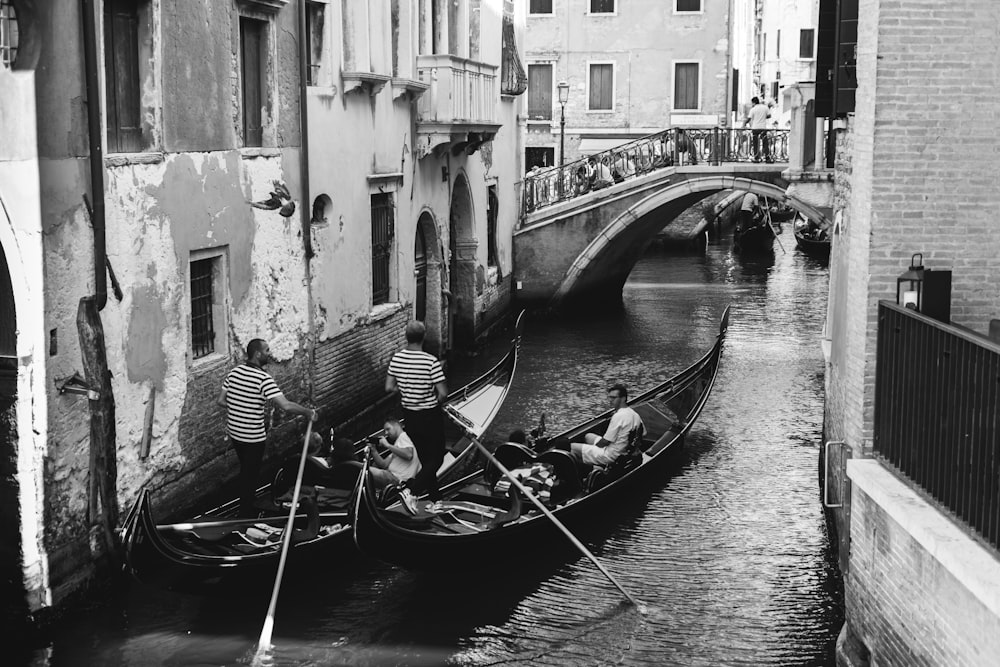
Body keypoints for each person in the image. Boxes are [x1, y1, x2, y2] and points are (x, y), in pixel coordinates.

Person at [219, 338, 318, 517]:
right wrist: (307, 412)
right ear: (257, 354)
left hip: (235, 434)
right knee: (250, 476)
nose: (269, 353)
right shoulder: (263, 379)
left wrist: (240, 407)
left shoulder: (234, 372)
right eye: (266, 350)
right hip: (253, 438)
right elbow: (286, 405)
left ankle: (247, 506)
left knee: (246, 470)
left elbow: (221, 401)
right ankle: (245, 516)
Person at [386, 320, 448, 509]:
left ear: (406, 337)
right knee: (437, 458)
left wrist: (406, 391)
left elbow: (389, 387)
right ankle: (411, 490)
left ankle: (436, 500)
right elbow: (443, 393)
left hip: (410, 417)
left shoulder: (396, 359)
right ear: (424, 337)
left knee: (425, 459)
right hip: (429, 416)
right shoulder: (430, 361)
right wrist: (433, 401)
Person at [569, 383, 644, 468]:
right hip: (624, 449)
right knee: (588, 436)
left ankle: (586, 469)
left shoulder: (618, 416)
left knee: (572, 447)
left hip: (611, 455)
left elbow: (605, 442)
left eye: (613, 398)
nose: (610, 400)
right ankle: (588, 455)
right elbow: (643, 433)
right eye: (610, 397)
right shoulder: (635, 414)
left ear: (623, 399)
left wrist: (594, 447)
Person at [367, 419, 421, 491]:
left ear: (396, 425)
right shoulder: (398, 445)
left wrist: (387, 445)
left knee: (362, 471)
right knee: (365, 472)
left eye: (388, 429)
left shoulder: (403, 436)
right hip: (391, 477)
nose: (386, 433)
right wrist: (374, 450)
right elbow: (384, 464)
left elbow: (408, 454)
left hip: (396, 478)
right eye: (385, 431)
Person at [743, 96, 771, 162]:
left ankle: (756, 157)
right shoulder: (765, 107)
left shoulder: (753, 109)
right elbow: (769, 115)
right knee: (765, 143)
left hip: (755, 128)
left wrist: (744, 124)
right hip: (763, 127)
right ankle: (767, 157)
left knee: (755, 143)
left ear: (753, 102)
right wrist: (763, 117)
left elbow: (749, 118)